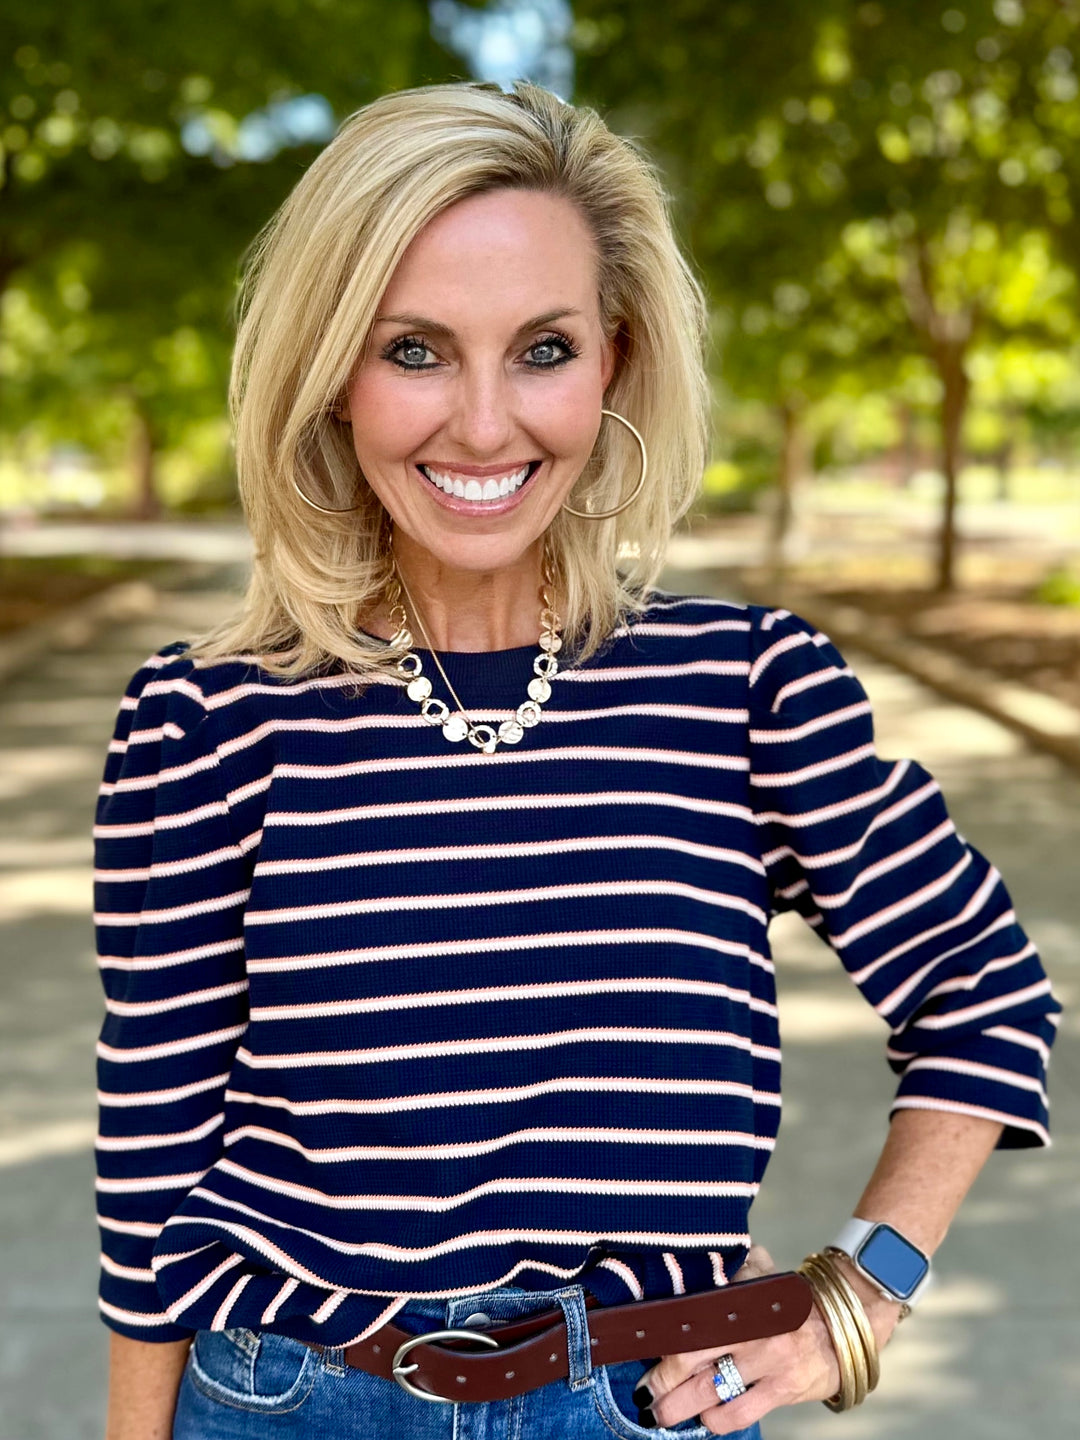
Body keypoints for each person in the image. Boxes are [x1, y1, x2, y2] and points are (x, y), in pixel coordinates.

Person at [93, 82, 1060, 1440]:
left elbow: (983, 989)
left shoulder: (748, 688)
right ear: (330, 375)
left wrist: (862, 1295)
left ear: (614, 360)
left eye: (542, 349)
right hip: (291, 1401)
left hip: (641, 1402)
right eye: (415, 351)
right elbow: (154, 1162)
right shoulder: (204, 720)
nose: (486, 425)